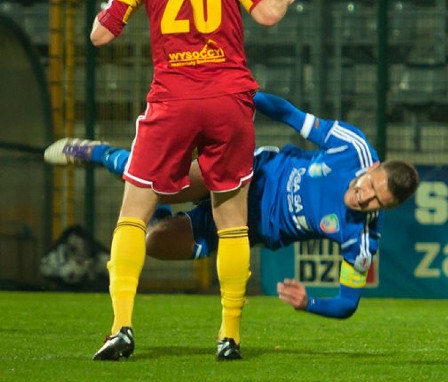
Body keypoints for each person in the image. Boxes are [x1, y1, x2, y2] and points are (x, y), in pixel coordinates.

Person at [87, 0, 301, 361]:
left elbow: (100, 36)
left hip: (172, 100)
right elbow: (265, 14)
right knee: (231, 223)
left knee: (133, 216)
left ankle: (121, 327)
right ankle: (229, 336)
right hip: (228, 99)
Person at [44, 91, 420, 319]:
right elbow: (290, 115)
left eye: (375, 202)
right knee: (159, 182)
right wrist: (242, 95)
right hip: (241, 175)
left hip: (238, 231)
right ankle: (99, 152)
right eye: (369, 185)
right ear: (371, 167)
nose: (363, 197)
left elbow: (347, 303)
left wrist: (310, 303)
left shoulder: (363, 238)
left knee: (153, 243)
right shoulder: (352, 147)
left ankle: (158, 207)